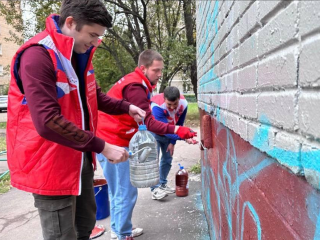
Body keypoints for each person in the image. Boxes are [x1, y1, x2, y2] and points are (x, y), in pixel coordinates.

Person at [6, 1, 145, 240]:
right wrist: (103, 146)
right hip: (50, 164)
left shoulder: (75, 54)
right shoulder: (37, 56)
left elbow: (92, 95)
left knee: (85, 225)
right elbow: (47, 120)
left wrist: (126, 107)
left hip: (79, 158)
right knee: (62, 234)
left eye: (98, 37)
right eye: (92, 35)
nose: (95, 42)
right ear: (70, 23)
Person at [96, 49, 197, 240]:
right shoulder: (135, 86)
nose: (159, 75)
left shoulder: (137, 81)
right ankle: (121, 234)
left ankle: (120, 229)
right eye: (156, 71)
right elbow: (148, 121)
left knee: (121, 190)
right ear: (143, 68)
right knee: (125, 191)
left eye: (160, 70)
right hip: (114, 141)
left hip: (113, 139)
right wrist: (177, 130)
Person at [149, 86, 198, 199]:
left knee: (167, 159)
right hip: (154, 133)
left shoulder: (184, 104)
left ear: (178, 100)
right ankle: (155, 189)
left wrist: (173, 142)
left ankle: (162, 184)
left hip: (171, 132)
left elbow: (179, 124)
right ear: (164, 98)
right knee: (153, 160)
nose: (172, 107)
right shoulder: (156, 106)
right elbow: (163, 129)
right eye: (169, 104)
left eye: (174, 104)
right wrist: (184, 137)